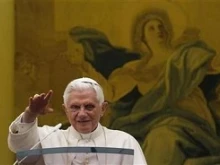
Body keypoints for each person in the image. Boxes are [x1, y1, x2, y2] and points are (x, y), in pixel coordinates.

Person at [108, 8, 220, 165]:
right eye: (151, 28)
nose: (158, 30)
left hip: (187, 119)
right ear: (142, 36)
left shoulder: (184, 55)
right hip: (146, 122)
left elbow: (213, 64)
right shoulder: (135, 68)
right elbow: (111, 92)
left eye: (161, 26)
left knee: (162, 139)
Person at [8, 77, 147, 165]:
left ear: (103, 108)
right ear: (65, 109)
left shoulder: (124, 142)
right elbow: (21, 149)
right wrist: (30, 114)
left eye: (89, 106)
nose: (82, 114)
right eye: (74, 107)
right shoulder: (49, 138)